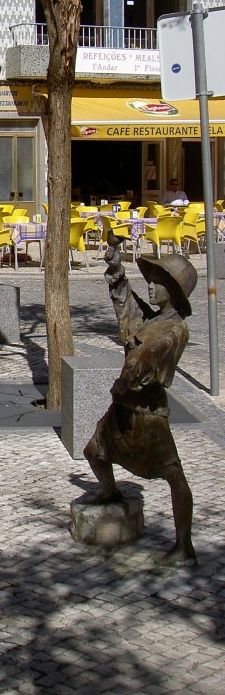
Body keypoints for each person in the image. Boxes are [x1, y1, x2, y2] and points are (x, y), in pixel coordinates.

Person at [82, 232, 199, 566]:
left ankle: (183, 546)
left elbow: (148, 357)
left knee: (173, 474)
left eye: (158, 282)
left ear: (173, 291)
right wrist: (116, 267)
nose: (150, 287)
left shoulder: (175, 330)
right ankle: (111, 490)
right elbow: (126, 304)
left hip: (148, 412)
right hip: (124, 407)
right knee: (95, 450)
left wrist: (128, 378)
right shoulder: (153, 318)